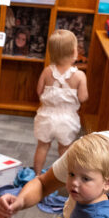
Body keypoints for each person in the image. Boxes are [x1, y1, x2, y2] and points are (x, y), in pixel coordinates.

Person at [32, 29, 87, 174]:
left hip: (46, 116)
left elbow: (39, 91)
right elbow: (83, 97)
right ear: (75, 51)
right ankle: (62, 177)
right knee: (64, 149)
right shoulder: (80, 76)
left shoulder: (47, 71)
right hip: (67, 119)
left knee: (42, 146)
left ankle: (37, 175)